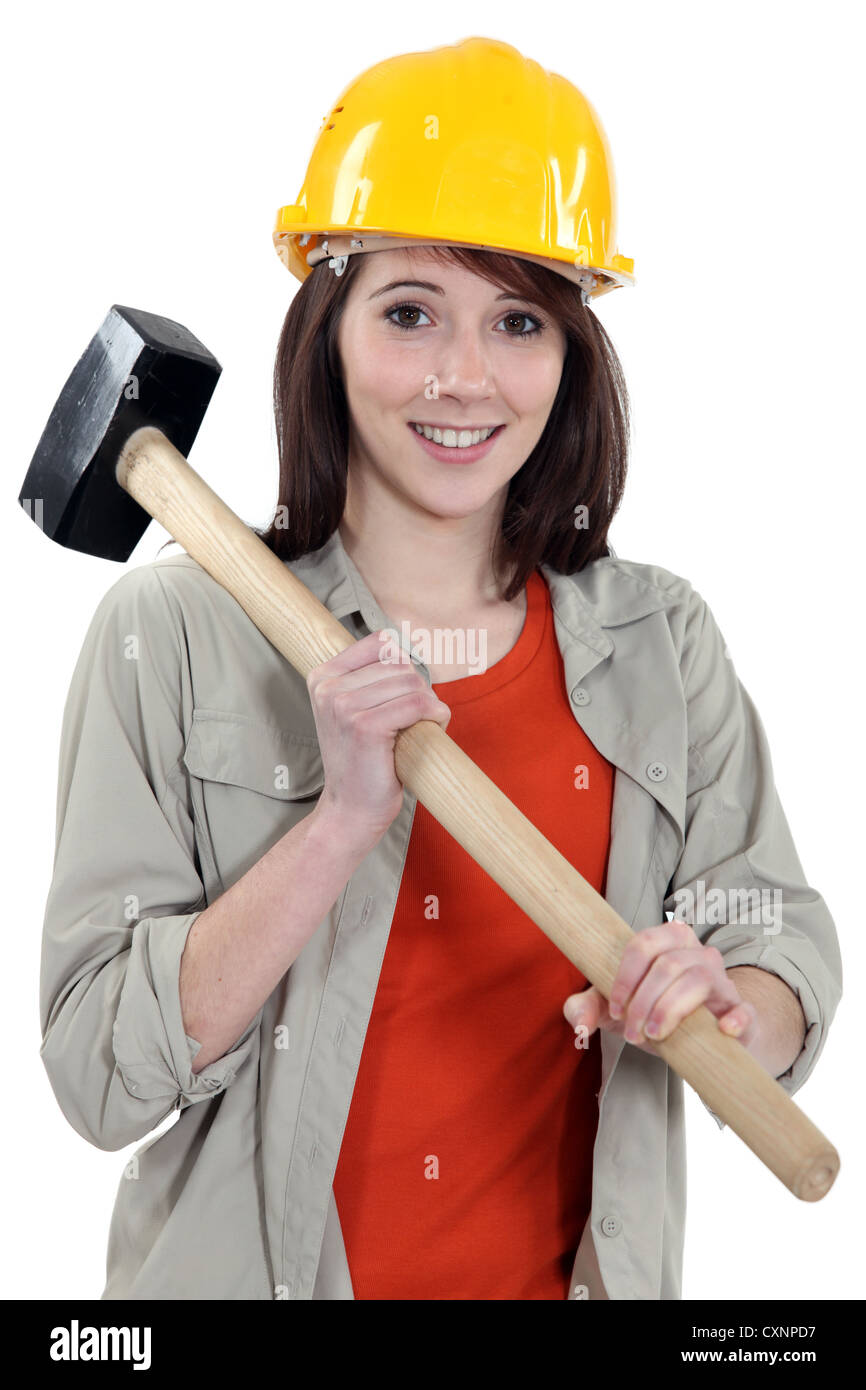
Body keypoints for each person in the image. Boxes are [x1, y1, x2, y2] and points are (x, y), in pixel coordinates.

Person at [38, 36, 842, 1301]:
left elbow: (775, 933)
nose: (463, 377)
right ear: (328, 332)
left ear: (572, 354)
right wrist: (339, 821)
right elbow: (96, 1074)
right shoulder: (174, 637)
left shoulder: (659, 640)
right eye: (409, 311)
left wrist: (730, 995)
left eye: (517, 319)